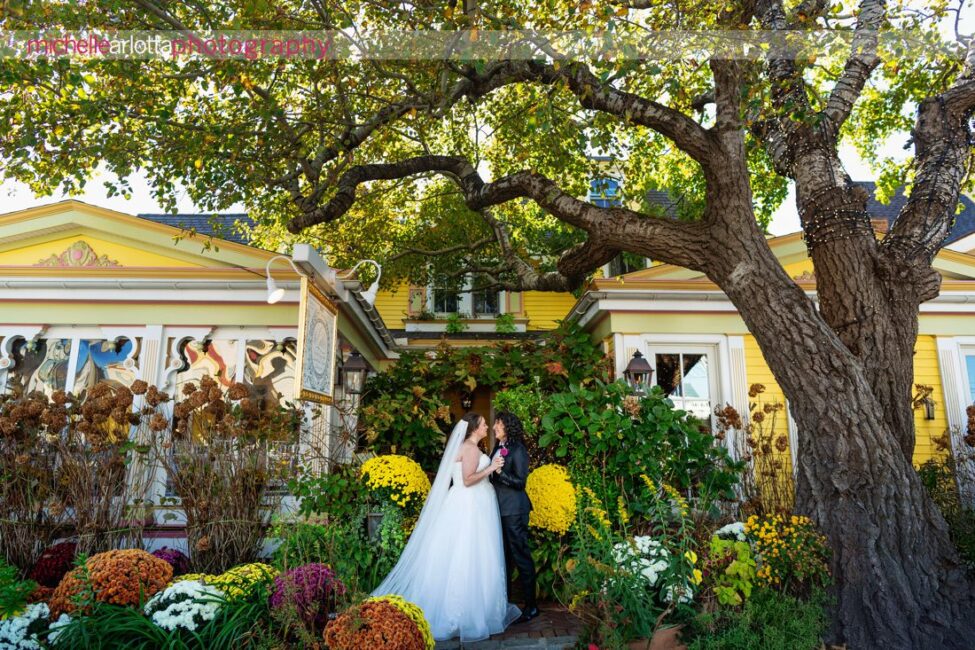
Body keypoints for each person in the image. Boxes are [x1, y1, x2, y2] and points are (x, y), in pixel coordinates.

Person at [371, 412, 521, 642]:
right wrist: (491, 469)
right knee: (467, 554)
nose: (487, 426)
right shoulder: (470, 448)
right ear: (473, 428)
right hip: (470, 506)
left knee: (462, 554)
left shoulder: (470, 446)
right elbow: (469, 479)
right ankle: (463, 614)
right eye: (483, 424)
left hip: (470, 504)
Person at [490, 411, 540, 622]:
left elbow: (520, 482)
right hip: (500, 510)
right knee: (505, 560)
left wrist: (501, 474)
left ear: (508, 427)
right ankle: (506, 604)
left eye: (498, 424)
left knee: (521, 557)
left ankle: (531, 606)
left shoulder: (518, 449)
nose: (494, 428)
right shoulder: (498, 448)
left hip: (515, 511)